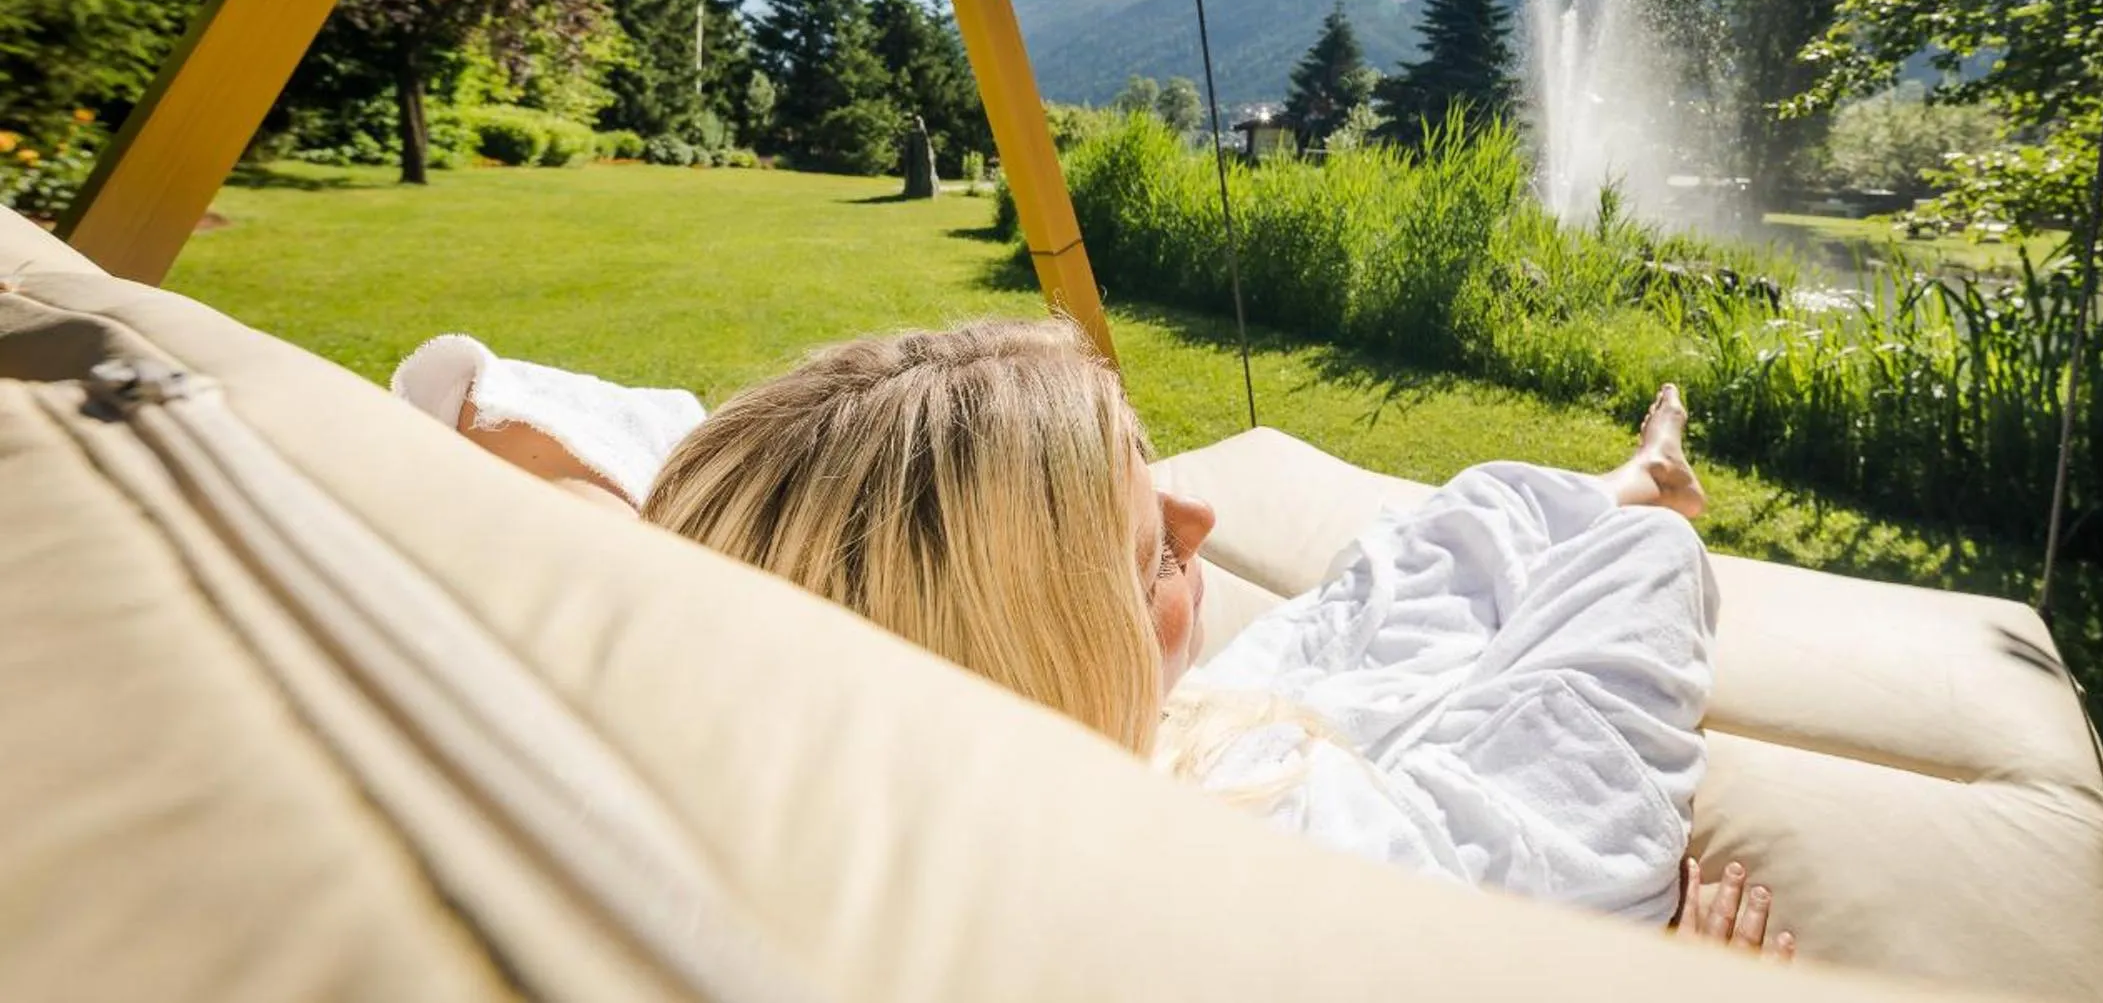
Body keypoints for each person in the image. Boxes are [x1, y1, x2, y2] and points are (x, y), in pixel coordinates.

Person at [421, 317, 1792, 957]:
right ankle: (1642, 498)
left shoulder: (771, 641)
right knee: (1644, 566)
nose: (1204, 504)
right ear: (1042, 663)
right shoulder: (1225, 928)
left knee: (1454, 528)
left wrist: (625, 549)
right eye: (1153, 557)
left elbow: (482, 396)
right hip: (1409, 851)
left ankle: (1623, 476)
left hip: (1192, 732)